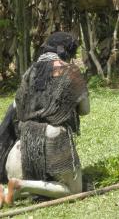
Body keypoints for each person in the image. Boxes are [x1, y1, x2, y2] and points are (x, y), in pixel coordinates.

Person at [0, 32, 90, 208]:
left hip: (22, 145)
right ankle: (20, 184)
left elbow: (16, 108)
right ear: (68, 52)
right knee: (74, 190)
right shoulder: (71, 71)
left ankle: (5, 192)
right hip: (54, 140)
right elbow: (85, 110)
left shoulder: (30, 72)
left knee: (37, 191)